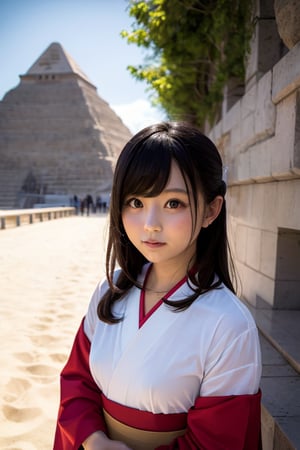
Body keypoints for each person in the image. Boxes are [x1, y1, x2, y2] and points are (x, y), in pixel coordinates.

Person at [53, 122, 262, 450]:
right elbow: (77, 384)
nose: (150, 224)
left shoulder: (230, 325)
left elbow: (216, 442)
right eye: (135, 202)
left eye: (173, 203)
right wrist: (95, 441)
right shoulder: (109, 292)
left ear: (211, 210)